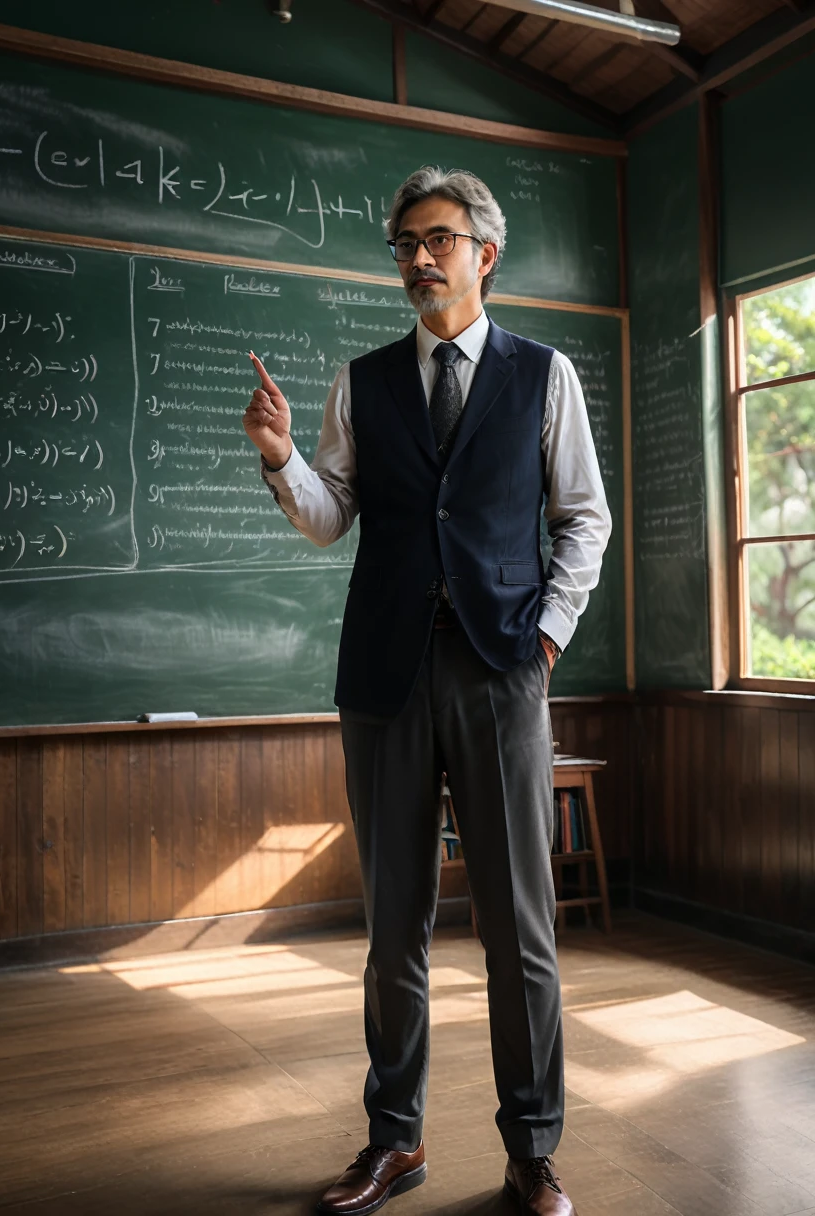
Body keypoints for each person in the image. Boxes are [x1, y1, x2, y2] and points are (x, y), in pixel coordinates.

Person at [243, 166, 611, 1216]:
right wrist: (279, 464)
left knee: (520, 928)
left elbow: (583, 518)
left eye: (436, 240)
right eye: (404, 243)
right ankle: (392, 1141)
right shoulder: (360, 382)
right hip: (385, 678)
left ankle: (532, 1149)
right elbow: (329, 512)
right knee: (393, 923)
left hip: (501, 672)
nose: (416, 259)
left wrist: (542, 640)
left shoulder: (545, 376)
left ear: (484, 254)